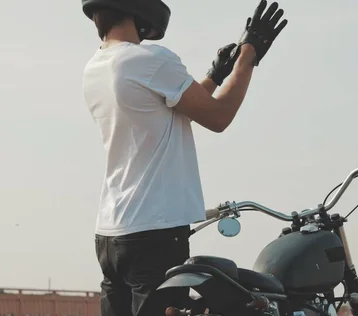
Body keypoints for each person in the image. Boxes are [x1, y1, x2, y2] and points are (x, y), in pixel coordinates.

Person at [80, 0, 287, 315]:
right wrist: (249, 56)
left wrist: (216, 74)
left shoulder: (95, 68)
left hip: (110, 233)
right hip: (154, 232)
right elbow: (218, 116)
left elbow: (172, 112)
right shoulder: (149, 59)